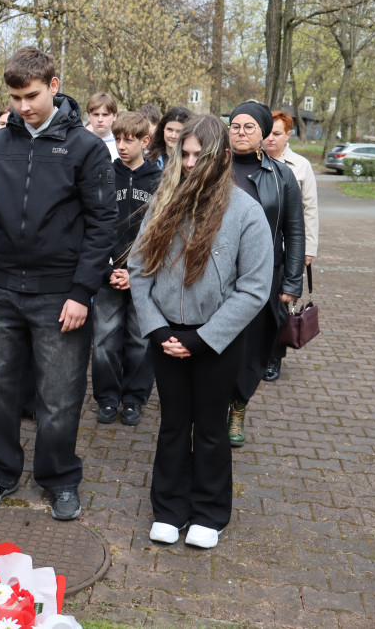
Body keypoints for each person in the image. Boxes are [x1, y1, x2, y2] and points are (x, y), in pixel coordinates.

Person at [0, 47, 117, 521]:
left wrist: (81, 291)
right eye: (14, 98)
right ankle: (0, 471)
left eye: (31, 95)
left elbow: (102, 224)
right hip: (0, 290)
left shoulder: (86, 149)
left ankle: (59, 478)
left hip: (59, 294)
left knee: (60, 395)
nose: (23, 107)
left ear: (53, 84)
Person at [130, 114, 273, 550]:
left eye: (199, 155)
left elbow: (254, 288)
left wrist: (203, 338)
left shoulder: (245, 212)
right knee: (173, 423)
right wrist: (155, 328)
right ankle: (169, 509)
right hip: (166, 337)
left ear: (223, 158)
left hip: (217, 340)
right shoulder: (163, 203)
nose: (190, 163)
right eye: (184, 154)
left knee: (210, 428)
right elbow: (138, 270)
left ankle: (209, 513)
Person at [227, 101, 304, 447]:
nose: (241, 133)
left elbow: (295, 231)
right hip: (218, 274)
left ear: (262, 133)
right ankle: (213, 404)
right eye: (235, 126)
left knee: (255, 346)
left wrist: (291, 282)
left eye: (249, 127)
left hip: (264, 276)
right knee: (219, 342)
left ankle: (239, 406)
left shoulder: (281, 175)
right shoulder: (214, 168)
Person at [92, 112, 162, 426]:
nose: (121, 145)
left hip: (145, 277)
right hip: (108, 274)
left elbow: (161, 232)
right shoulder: (104, 175)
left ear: (145, 142)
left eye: (129, 140)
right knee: (105, 338)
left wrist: (137, 273)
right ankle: (107, 398)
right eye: (118, 138)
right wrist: (109, 270)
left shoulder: (159, 182)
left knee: (140, 339)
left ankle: (134, 398)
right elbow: (95, 224)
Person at [261, 110, 319, 382]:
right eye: (267, 132)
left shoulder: (300, 166)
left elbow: (310, 210)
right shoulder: (252, 162)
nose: (270, 138)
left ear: (287, 136)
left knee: (279, 306)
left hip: (286, 247)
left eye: (277, 134)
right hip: (260, 244)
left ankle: (274, 357)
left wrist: (308, 249)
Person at [85, 92, 119, 160]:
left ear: (114, 116)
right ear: (89, 116)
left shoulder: (121, 145)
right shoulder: (81, 143)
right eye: (96, 114)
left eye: (105, 115)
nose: (100, 120)